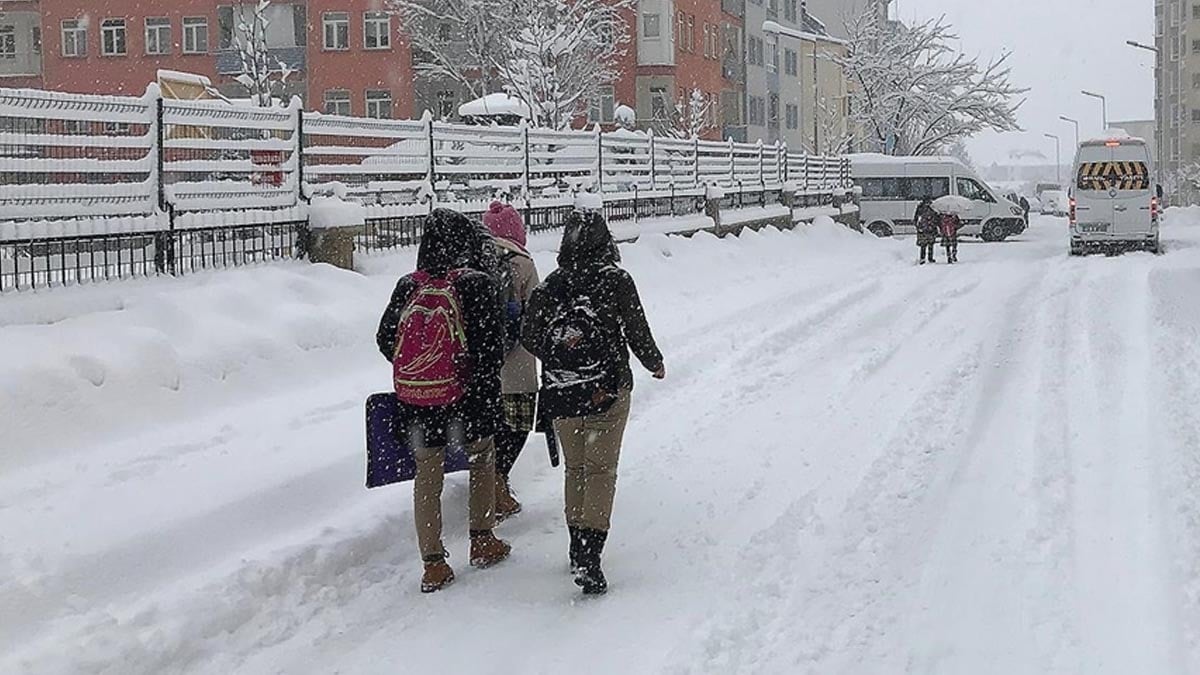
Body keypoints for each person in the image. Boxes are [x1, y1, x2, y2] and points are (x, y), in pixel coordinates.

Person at [522, 209, 665, 596]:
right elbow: (636, 328)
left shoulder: (552, 284)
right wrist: (654, 362)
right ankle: (590, 554)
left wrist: (560, 354)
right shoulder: (616, 280)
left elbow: (529, 334)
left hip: (562, 392)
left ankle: (575, 545)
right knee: (601, 472)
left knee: (577, 470)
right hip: (607, 390)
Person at [376, 208, 511, 594]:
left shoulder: (408, 285)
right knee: (482, 459)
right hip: (468, 398)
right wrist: (468, 377)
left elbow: (386, 338)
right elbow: (491, 347)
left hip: (418, 401)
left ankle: (433, 564)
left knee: (427, 477)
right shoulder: (476, 283)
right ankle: (482, 539)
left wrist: (421, 367)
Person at [482, 201, 540, 520]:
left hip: (481, 364)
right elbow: (537, 313)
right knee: (516, 425)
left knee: (487, 427)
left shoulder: (471, 259)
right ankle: (499, 481)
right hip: (517, 363)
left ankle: (487, 483)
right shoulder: (523, 262)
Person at [914, 197, 939, 265]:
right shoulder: (933, 207)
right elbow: (936, 217)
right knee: (930, 244)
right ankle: (930, 258)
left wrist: (918, 226)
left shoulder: (920, 207)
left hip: (923, 229)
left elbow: (916, 217)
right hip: (931, 228)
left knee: (923, 245)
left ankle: (922, 258)